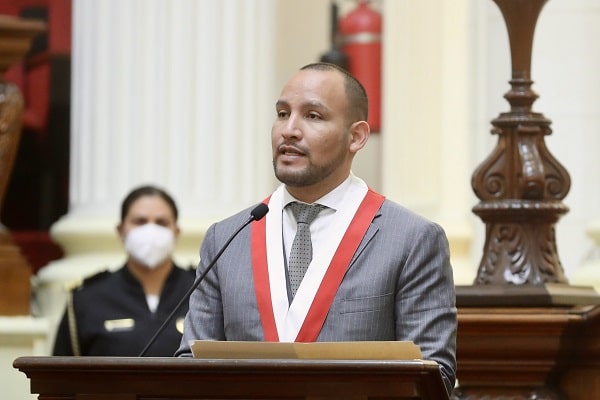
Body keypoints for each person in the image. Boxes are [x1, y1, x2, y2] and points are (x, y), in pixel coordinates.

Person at [175, 62, 457, 394]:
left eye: (313, 116)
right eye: (282, 114)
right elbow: (190, 367)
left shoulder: (412, 239)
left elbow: (432, 376)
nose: (289, 130)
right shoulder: (225, 238)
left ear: (356, 137)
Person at [53, 185, 196, 357]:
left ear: (176, 232)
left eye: (161, 223)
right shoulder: (88, 298)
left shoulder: (202, 291)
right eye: (140, 222)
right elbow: (61, 369)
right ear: (121, 231)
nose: (150, 231)